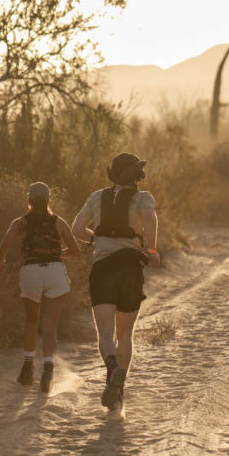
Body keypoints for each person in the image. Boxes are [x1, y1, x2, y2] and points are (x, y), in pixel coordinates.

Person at [72, 153, 160, 412]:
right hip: (131, 267)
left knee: (105, 333)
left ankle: (111, 368)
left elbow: (76, 230)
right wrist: (153, 249)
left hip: (103, 268)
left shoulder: (96, 196)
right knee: (125, 335)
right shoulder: (143, 197)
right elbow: (150, 218)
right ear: (137, 176)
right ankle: (119, 396)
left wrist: (95, 241)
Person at [0, 182, 82, 393]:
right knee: (50, 327)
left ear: (29, 200)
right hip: (54, 271)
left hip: (30, 271)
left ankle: (27, 370)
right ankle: (48, 371)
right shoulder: (58, 222)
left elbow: (6, 242)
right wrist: (55, 254)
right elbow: (76, 250)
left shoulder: (20, 222)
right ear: (49, 200)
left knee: (31, 321)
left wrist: (0, 260)